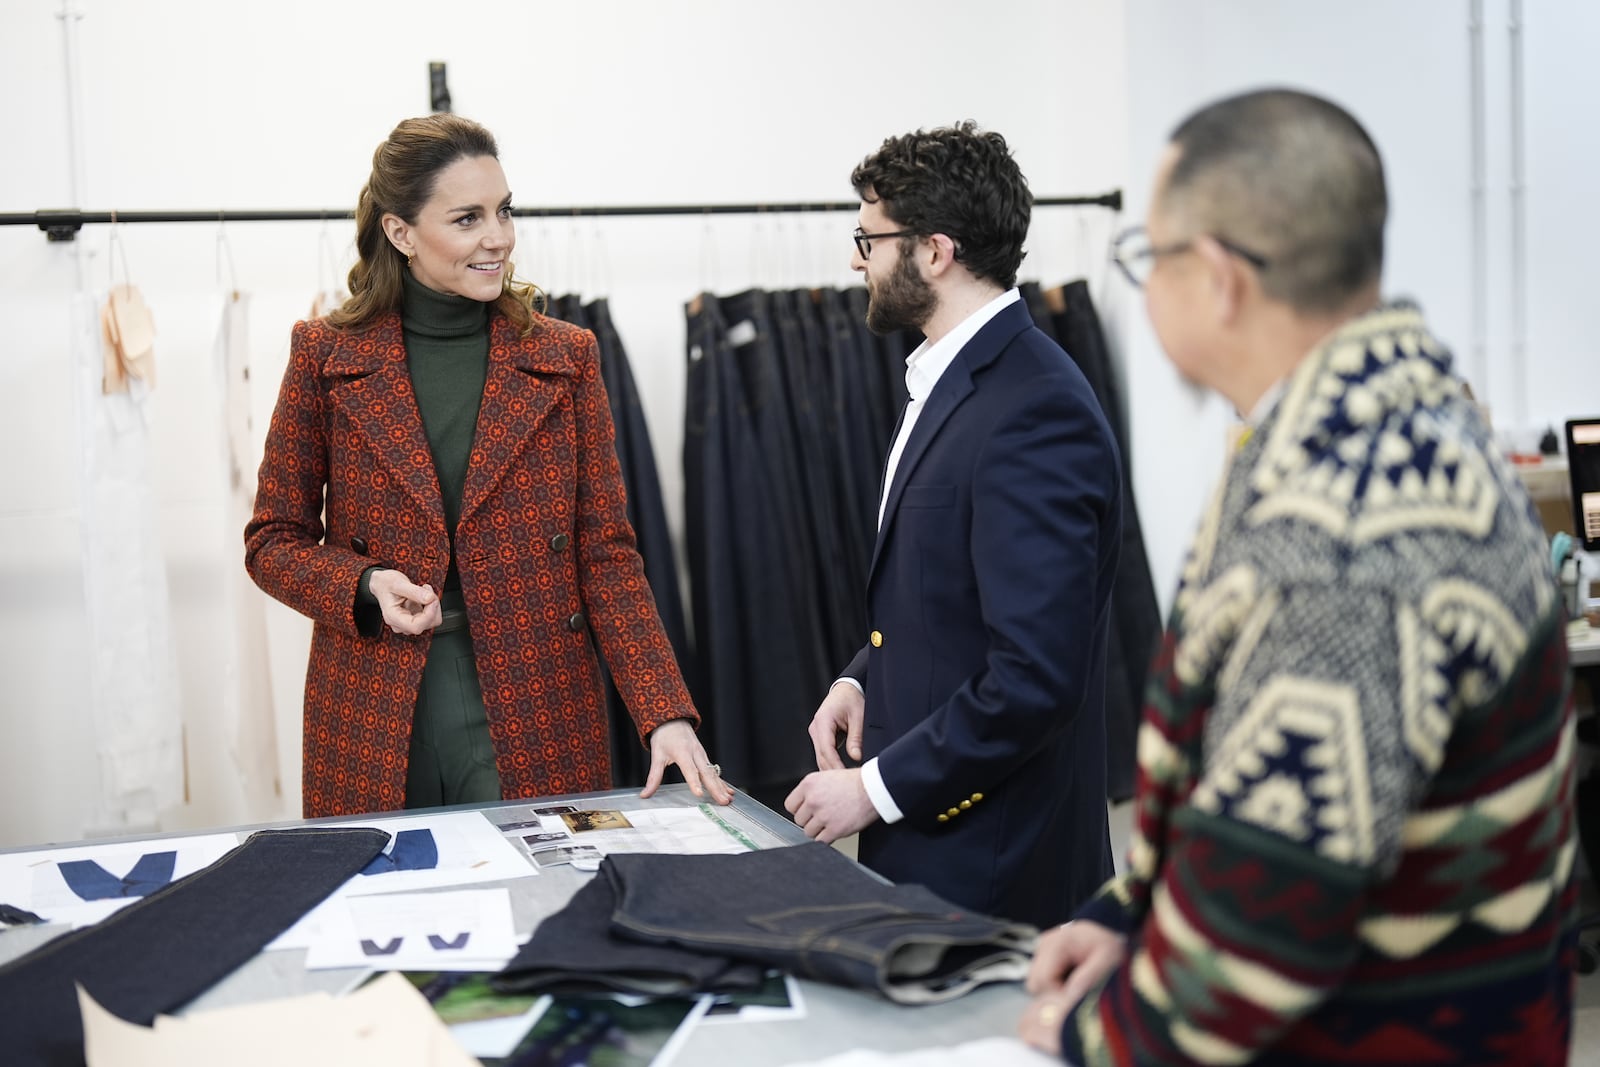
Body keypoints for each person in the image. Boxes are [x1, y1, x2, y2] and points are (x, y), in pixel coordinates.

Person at [1020, 89, 1574, 1065]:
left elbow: (1257, 937)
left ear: (1221, 279)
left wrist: (1079, 1035)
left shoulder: (1346, 538)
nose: (1144, 295)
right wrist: (1130, 909)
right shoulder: (1390, 429)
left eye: (1150, 260)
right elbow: (1257, 782)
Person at [246, 114, 731, 818]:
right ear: (400, 232)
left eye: (504, 211)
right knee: (386, 909)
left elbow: (607, 555)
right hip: (374, 707)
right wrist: (364, 581)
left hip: (536, 701)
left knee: (546, 910)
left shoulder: (565, 358)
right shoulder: (325, 357)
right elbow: (272, 540)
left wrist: (664, 710)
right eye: (468, 218)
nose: (498, 236)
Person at [784, 122, 1124, 928]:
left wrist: (871, 787)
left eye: (868, 238)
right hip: (944, 845)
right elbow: (943, 596)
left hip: (1000, 864)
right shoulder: (956, 379)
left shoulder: (1033, 408)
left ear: (935, 252)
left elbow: (1035, 677)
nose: (856, 258)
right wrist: (857, 679)